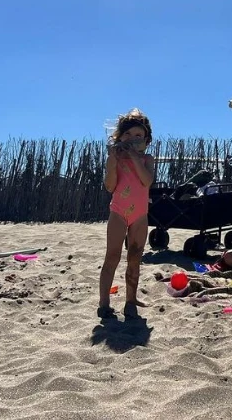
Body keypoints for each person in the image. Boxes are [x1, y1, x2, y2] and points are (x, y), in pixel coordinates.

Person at [98, 109, 155, 319]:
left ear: (146, 141)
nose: (132, 139)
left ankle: (131, 300)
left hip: (140, 215)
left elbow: (146, 181)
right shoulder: (114, 158)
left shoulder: (147, 159)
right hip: (118, 212)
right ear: (119, 137)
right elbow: (110, 186)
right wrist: (113, 162)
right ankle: (104, 302)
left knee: (135, 257)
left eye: (138, 135)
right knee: (112, 256)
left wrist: (134, 157)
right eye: (127, 135)